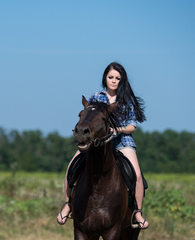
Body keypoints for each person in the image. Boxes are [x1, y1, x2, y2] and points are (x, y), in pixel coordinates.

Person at [56, 62, 149, 229]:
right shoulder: (95, 97)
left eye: (117, 78)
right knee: (71, 167)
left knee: (137, 175)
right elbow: (88, 119)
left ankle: (137, 212)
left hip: (122, 142)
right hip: (96, 143)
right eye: (110, 77)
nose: (113, 81)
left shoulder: (127, 100)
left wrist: (116, 130)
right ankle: (68, 204)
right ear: (105, 78)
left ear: (122, 80)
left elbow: (132, 127)